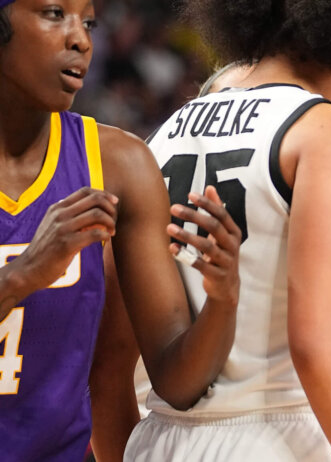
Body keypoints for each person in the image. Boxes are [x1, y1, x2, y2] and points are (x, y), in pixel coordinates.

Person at [123, 1, 331, 461]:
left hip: (160, 437)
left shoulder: (159, 137)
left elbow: (111, 363)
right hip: (275, 436)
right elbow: (318, 348)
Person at [0, 0, 241, 461]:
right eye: (54, 14)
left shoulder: (119, 165)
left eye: (88, 22)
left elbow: (176, 380)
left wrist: (224, 297)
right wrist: (22, 275)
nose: (81, 39)